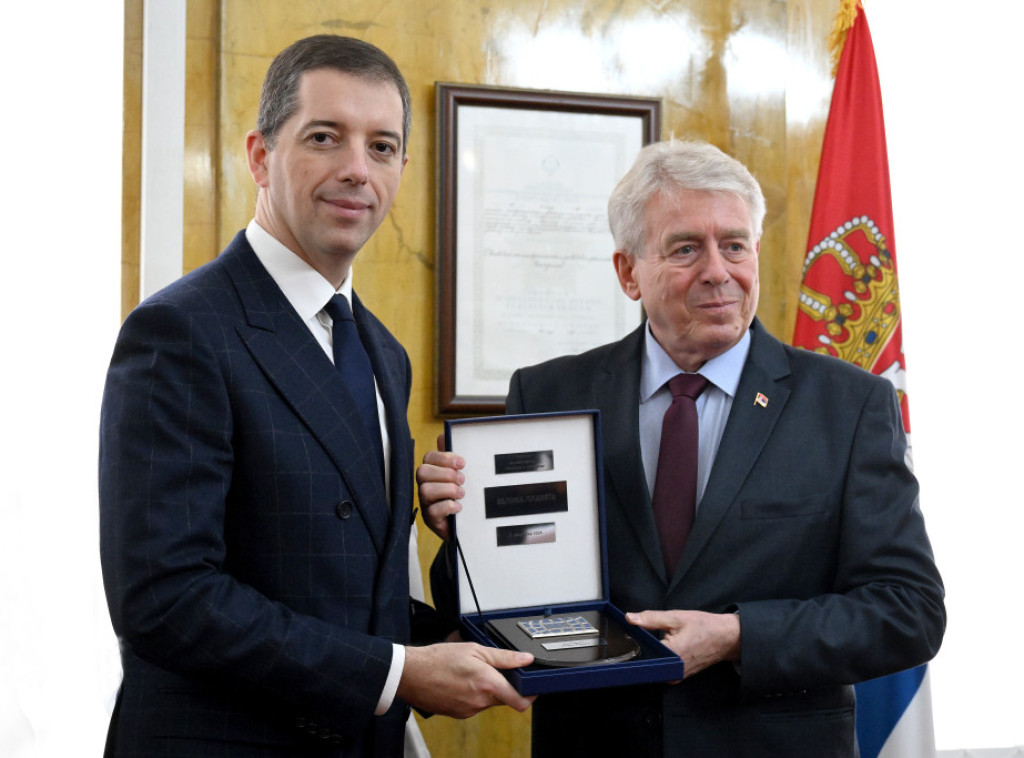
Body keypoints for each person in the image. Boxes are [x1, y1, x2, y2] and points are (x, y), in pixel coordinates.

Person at [417, 140, 945, 757]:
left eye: (735, 245)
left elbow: (909, 611)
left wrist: (739, 635)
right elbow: (493, 603)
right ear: (628, 273)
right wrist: (463, 532)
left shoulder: (848, 405)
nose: (718, 271)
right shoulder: (549, 393)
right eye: (686, 248)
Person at [99, 34, 533, 758]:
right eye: (325, 137)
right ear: (260, 156)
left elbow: (345, 592)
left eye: (382, 147)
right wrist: (398, 674)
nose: (357, 169)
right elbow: (165, 599)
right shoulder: (181, 331)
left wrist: (474, 638)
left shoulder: (383, 352)